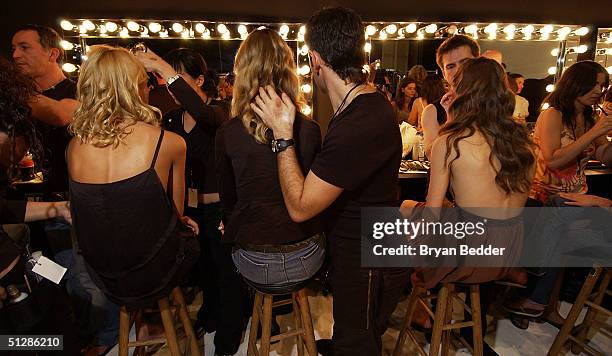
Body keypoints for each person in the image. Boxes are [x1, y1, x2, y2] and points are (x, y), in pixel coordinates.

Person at [251, 7, 409, 355]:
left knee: (358, 344)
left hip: (368, 257)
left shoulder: (358, 122)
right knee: (354, 337)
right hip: (372, 246)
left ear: (315, 59)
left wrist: (282, 135)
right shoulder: (363, 105)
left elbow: (300, 207)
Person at [402, 58, 536, 353]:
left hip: (469, 256)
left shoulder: (450, 141)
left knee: (406, 209)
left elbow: (433, 213)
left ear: (461, 91)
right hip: (509, 250)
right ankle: (422, 289)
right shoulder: (523, 141)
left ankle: (417, 292)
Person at [66, 45, 199, 310]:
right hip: (154, 274)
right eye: (144, 83)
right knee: (191, 234)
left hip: (104, 276)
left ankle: (146, 324)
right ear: (133, 88)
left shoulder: (73, 148)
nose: (148, 88)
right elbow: (175, 214)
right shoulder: (169, 143)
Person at [12, 25, 119, 352]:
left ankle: (108, 339)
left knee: (86, 280)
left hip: (75, 204)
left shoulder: (75, 92)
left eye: (24, 47)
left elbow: (62, 116)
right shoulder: (24, 104)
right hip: (39, 206)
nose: (15, 55)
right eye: (12, 48)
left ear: (52, 53)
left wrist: (11, 91)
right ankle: (82, 334)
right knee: (54, 276)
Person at [135, 47, 243, 354]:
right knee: (204, 270)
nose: (169, 84)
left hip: (222, 210)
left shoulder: (221, 111)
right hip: (192, 210)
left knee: (227, 274)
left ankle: (229, 335)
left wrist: (158, 63)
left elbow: (206, 116)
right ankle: (210, 316)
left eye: (178, 76)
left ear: (198, 79)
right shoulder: (171, 119)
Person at [216, 28, 325, 291]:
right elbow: (315, 203)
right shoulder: (309, 130)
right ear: (288, 72)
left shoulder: (227, 133)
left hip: (252, 261)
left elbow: (228, 203)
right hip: (306, 258)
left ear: (243, 72)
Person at [504, 60, 612, 320]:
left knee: (563, 228)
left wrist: (604, 134)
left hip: (575, 198)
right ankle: (540, 300)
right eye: (594, 84)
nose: (599, 90)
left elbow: (605, 155)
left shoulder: (591, 117)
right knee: (559, 221)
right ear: (576, 83)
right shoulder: (551, 114)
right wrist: (595, 132)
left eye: (602, 85)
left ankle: (535, 298)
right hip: (541, 195)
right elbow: (553, 160)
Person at [0, 56, 79, 355]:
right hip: (12, 295)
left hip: (17, 280)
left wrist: (55, 209)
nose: (19, 156)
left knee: (54, 341)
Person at [422, 35, 480, 158]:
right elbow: (432, 155)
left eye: (465, 62)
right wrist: (451, 120)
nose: (459, 69)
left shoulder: (493, 103)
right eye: (451, 66)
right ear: (444, 73)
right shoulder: (433, 111)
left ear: (478, 63)